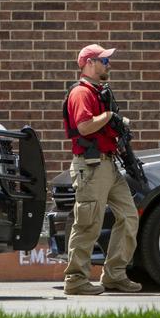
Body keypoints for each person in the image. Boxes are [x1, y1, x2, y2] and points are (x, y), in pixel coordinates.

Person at [60, 44, 141, 296]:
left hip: (108, 164)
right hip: (91, 166)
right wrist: (109, 117)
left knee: (129, 216)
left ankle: (115, 274)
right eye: (104, 61)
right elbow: (84, 127)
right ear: (88, 63)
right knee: (88, 223)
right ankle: (75, 279)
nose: (108, 65)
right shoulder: (81, 93)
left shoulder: (99, 92)